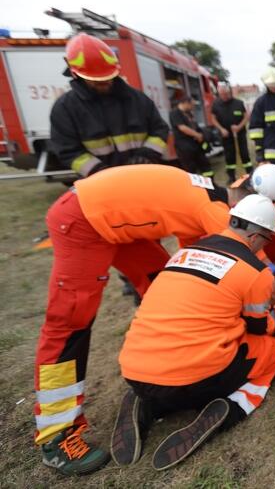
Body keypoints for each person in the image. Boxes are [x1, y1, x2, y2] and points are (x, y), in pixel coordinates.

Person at [35, 164, 244, 475]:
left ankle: (169, 372)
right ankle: (57, 436)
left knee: (167, 283)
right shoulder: (216, 211)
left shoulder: (208, 191)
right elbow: (240, 263)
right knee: (70, 327)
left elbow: (195, 262)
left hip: (111, 218)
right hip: (82, 220)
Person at [113, 195, 275, 470]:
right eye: (265, 240)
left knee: (175, 373)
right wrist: (274, 313)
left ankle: (148, 405)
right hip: (191, 380)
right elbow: (259, 327)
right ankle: (232, 409)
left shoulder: (184, 253)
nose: (264, 247)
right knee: (270, 351)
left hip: (134, 369)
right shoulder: (254, 271)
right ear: (253, 237)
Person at [50, 33, 169, 176]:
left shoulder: (138, 99)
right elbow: (68, 151)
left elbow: (160, 130)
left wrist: (146, 155)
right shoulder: (65, 108)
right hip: (100, 184)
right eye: (95, 79)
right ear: (75, 73)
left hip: (144, 176)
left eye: (108, 77)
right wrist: (99, 172)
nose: (103, 83)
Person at [211, 82, 252, 184]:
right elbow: (213, 119)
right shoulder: (216, 104)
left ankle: (249, 174)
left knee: (244, 154)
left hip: (240, 134)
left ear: (229, 92)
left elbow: (246, 116)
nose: (224, 96)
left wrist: (239, 127)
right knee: (229, 156)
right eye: (221, 94)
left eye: (225, 94)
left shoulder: (238, 103)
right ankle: (232, 176)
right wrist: (221, 129)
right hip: (226, 136)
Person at [169, 96, 214, 178]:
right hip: (184, 147)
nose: (193, 107)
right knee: (190, 169)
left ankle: (210, 185)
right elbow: (183, 128)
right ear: (186, 103)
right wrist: (197, 135)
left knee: (205, 165)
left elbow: (194, 126)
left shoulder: (189, 113)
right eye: (192, 105)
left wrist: (203, 135)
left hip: (195, 145)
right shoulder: (175, 113)